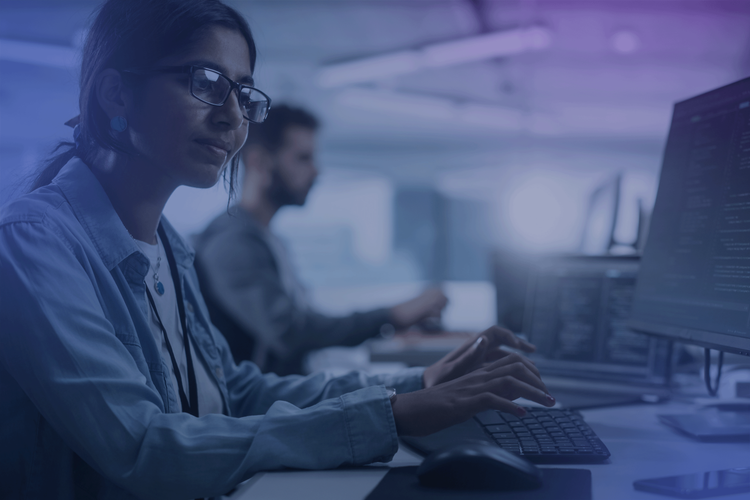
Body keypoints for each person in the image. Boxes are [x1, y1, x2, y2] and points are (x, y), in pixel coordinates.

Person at [0, 1, 554, 498]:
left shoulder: (167, 244)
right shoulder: (33, 243)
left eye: (242, 93)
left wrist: (416, 384)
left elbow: (232, 391)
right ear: (116, 92)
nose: (232, 116)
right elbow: (144, 447)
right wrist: (388, 415)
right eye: (205, 81)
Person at [194, 105, 448, 375]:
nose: (315, 172)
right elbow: (290, 332)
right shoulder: (233, 242)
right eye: (303, 158)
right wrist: (392, 316)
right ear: (259, 162)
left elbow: (302, 323)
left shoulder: (267, 238)